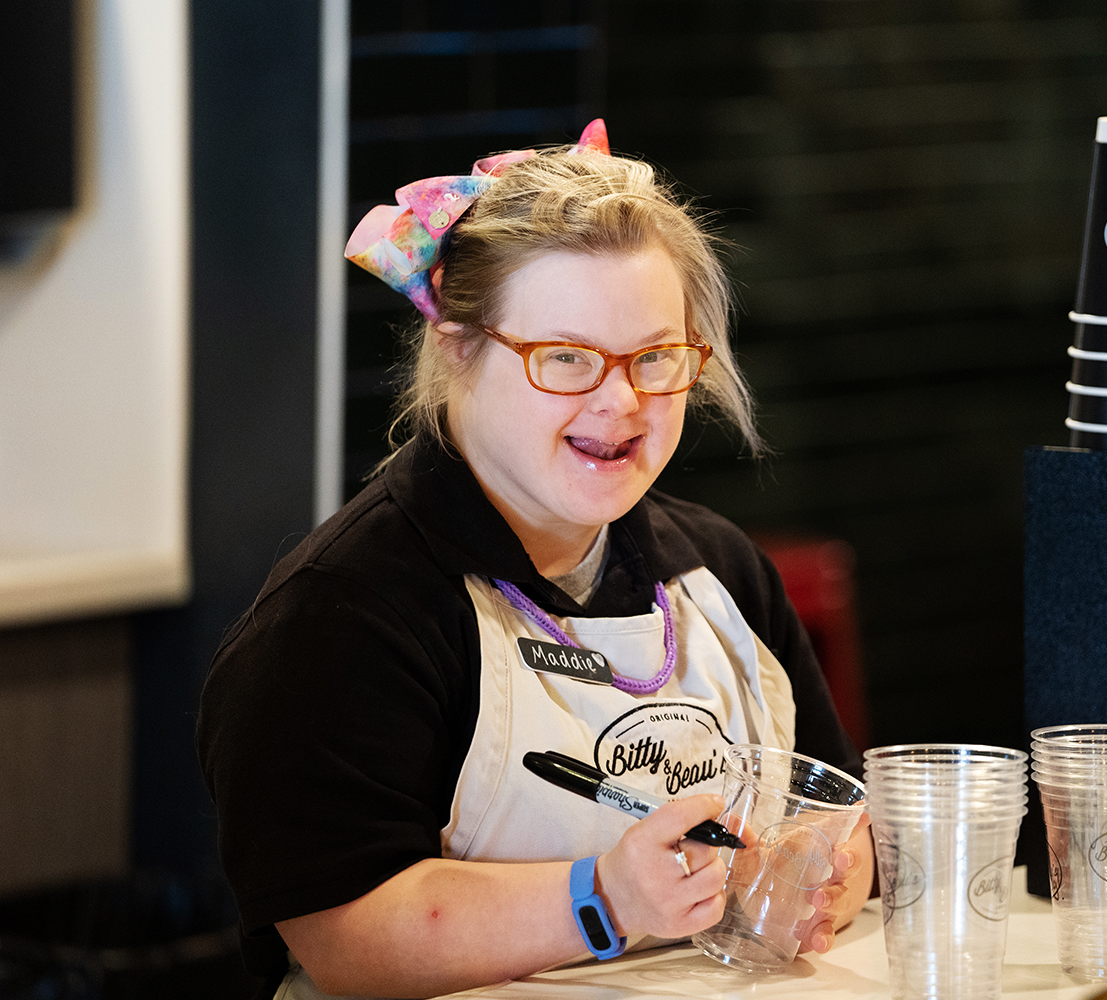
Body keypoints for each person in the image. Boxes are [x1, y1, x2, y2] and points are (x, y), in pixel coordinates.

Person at [196, 120, 872, 1000]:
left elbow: (836, 823)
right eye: (565, 358)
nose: (621, 401)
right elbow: (344, 936)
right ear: (458, 349)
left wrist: (822, 878)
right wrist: (606, 898)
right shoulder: (341, 618)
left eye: (655, 358)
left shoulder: (722, 571)